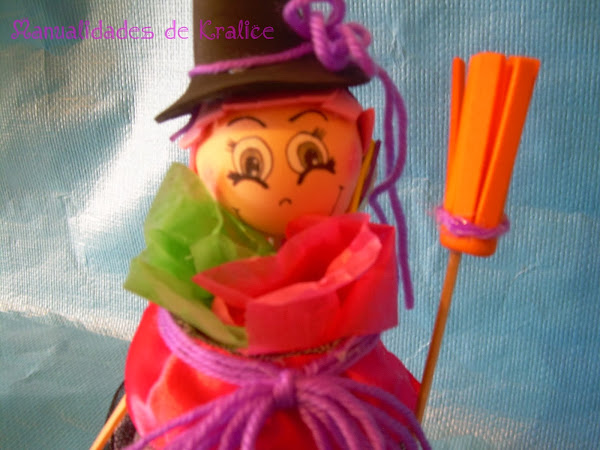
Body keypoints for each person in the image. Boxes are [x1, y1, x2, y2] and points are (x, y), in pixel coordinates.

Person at [115, 0, 429, 448]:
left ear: (364, 148)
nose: (283, 191)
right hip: (198, 404)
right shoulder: (194, 273)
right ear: (197, 159)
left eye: (311, 155)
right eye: (250, 161)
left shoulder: (348, 271)